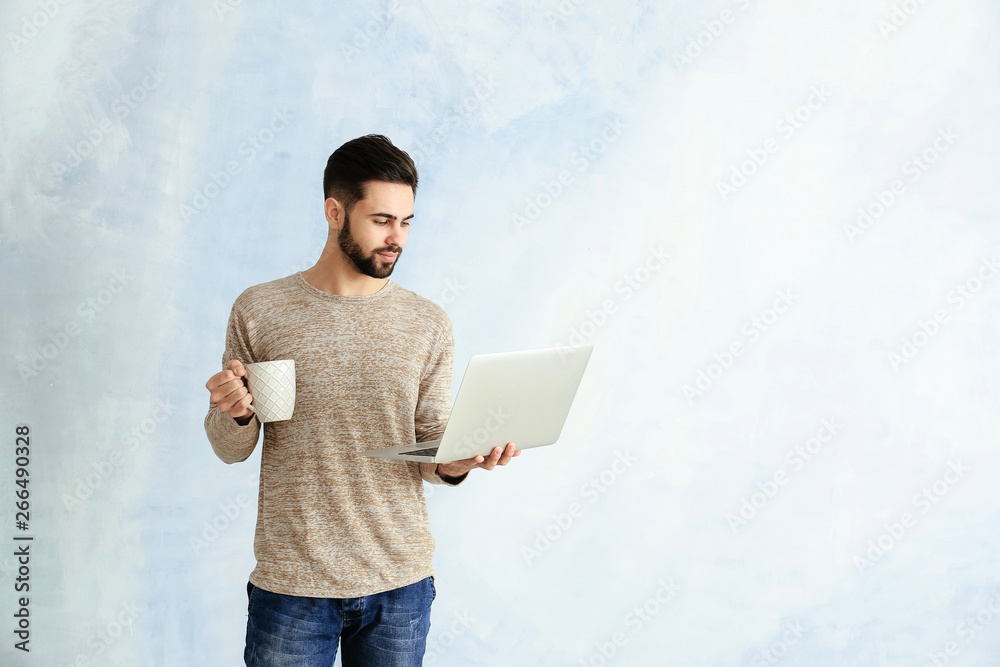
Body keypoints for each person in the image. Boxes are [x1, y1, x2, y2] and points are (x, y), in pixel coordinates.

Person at [203, 134, 520, 666]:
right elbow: (231, 449)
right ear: (335, 211)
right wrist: (233, 413)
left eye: (407, 222)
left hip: (399, 583)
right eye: (381, 220)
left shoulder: (427, 323)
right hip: (291, 584)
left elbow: (428, 450)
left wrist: (457, 461)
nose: (397, 238)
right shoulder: (260, 310)